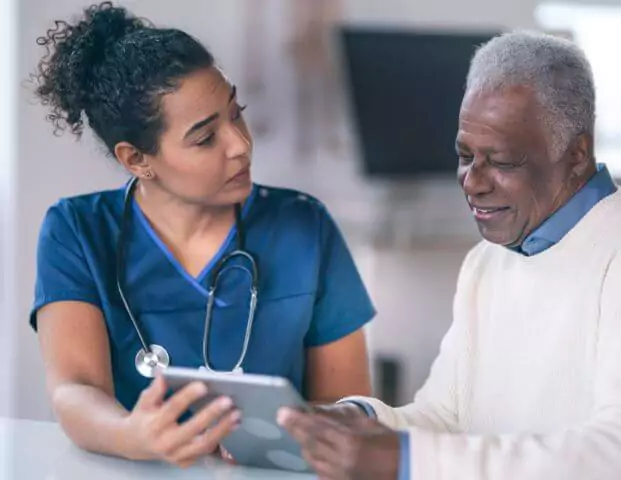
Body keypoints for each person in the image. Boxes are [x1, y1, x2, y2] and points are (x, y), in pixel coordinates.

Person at [278, 31, 621, 480]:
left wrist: (407, 461)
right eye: (464, 155)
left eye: (502, 161)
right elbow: (446, 417)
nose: (472, 181)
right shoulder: (486, 263)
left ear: (576, 154)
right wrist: (358, 420)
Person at [29, 2, 374, 468]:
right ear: (136, 160)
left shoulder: (304, 225)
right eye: (205, 138)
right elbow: (75, 390)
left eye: (237, 114)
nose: (241, 145)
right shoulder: (77, 231)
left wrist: (291, 437)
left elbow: (349, 403)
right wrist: (132, 435)